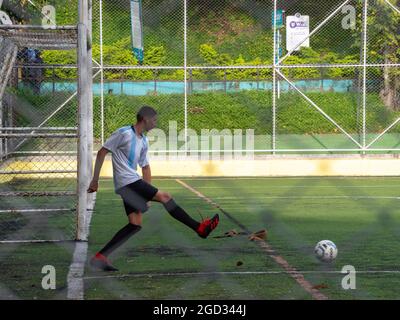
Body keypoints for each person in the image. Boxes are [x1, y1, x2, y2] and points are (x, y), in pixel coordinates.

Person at [87, 105, 219, 271]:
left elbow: (146, 167)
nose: (156, 124)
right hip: (128, 182)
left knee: (135, 224)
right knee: (165, 197)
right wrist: (95, 180)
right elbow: (101, 153)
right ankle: (199, 228)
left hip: (130, 184)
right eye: (154, 120)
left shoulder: (143, 140)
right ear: (145, 119)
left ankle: (100, 257)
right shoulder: (123, 133)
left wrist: (146, 195)